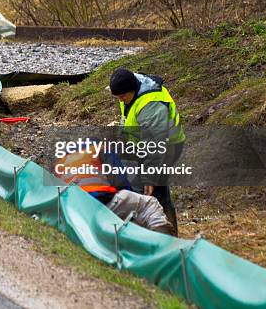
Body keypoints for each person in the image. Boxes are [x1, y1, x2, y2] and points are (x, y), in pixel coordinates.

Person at [109, 68, 185, 235]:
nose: (121, 100)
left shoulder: (151, 105)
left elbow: (156, 144)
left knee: (148, 191)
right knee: (156, 191)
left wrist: (149, 177)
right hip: (144, 146)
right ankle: (167, 234)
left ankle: (159, 235)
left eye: (123, 96)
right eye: (118, 97)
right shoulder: (130, 88)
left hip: (166, 148)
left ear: (133, 89)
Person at [56, 145, 175, 235]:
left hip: (72, 210)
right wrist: (131, 192)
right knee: (148, 203)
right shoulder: (99, 148)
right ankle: (163, 242)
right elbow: (120, 180)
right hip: (100, 202)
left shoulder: (60, 162)